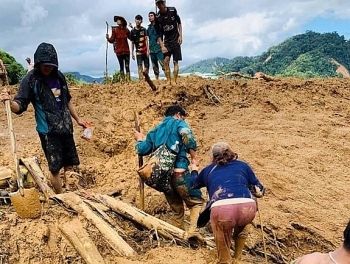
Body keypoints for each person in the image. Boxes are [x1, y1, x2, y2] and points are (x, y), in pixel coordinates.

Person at [0, 42, 87, 194]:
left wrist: (78, 119)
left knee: (70, 165)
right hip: (48, 131)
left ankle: (73, 193)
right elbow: (20, 105)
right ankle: (62, 197)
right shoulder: (31, 80)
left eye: (51, 65)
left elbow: (67, 100)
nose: (47, 68)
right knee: (55, 168)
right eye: (44, 64)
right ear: (38, 63)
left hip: (66, 127)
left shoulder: (59, 77)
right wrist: (9, 102)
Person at [134, 105, 205, 240]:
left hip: (163, 179)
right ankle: (193, 232)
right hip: (179, 174)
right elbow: (186, 135)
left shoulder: (155, 130)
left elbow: (142, 150)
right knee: (196, 202)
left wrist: (139, 139)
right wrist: (194, 158)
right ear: (178, 114)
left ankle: (178, 236)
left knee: (177, 209)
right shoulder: (179, 123)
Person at [191, 142, 265, 264]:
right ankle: (237, 257)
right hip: (247, 208)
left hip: (221, 209)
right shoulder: (243, 166)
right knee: (243, 224)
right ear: (231, 153)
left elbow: (193, 184)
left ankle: (226, 260)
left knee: (223, 246)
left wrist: (194, 170)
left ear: (213, 157)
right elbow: (260, 191)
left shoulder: (208, 170)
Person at [155, 0, 182, 85]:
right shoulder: (158, 17)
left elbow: (179, 23)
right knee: (166, 61)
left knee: (175, 61)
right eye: (158, 4)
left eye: (161, 3)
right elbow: (158, 34)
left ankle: (175, 80)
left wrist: (180, 35)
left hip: (175, 39)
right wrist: (162, 46)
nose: (160, 5)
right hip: (166, 41)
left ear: (164, 3)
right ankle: (168, 80)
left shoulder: (172, 10)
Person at [106, 16, 131, 83]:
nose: (117, 21)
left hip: (126, 51)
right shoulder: (115, 30)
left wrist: (132, 29)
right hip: (119, 51)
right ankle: (123, 80)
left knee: (127, 65)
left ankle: (128, 80)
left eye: (119, 20)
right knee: (121, 66)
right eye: (117, 20)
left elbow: (131, 37)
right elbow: (112, 39)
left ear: (122, 22)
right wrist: (108, 38)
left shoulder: (126, 30)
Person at [130, 14, 150, 80]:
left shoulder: (144, 29)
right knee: (139, 65)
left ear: (141, 21)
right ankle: (141, 79)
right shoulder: (132, 31)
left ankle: (147, 78)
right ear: (135, 20)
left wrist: (148, 50)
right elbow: (132, 42)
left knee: (146, 65)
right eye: (137, 19)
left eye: (139, 20)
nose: (138, 21)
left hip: (145, 50)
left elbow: (146, 40)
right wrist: (132, 53)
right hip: (138, 51)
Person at [147, 11, 164, 80]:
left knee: (163, 64)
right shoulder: (148, 28)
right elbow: (147, 39)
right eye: (149, 16)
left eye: (151, 16)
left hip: (159, 48)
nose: (150, 17)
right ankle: (157, 80)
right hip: (152, 48)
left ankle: (168, 78)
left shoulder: (159, 26)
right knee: (154, 66)